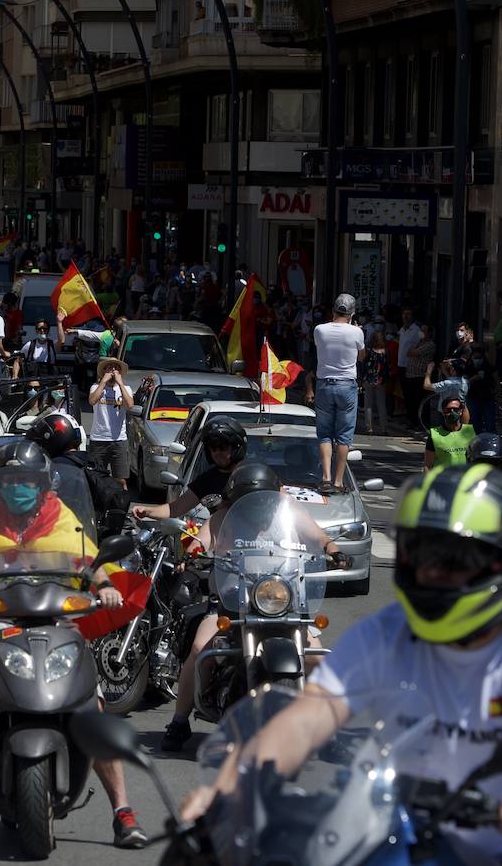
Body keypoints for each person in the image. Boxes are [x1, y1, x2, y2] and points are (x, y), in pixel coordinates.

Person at [182, 464, 502, 866]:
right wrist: (228, 788)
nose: (432, 571)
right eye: (422, 553)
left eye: (453, 558)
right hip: (406, 831)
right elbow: (307, 717)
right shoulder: (385, 632)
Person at [0, 441, 146, 849]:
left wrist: (105, 588)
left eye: (27, 480)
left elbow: (95, 564)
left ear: (43, 485)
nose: (19, 487)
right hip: (0, 621)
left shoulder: (64, 520)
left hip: (61, 622)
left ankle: (123, 812)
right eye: (11, 480)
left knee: (94, 706)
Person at [160, 461, 342, 753]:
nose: (256, 507)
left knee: (319, 659)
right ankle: (179, 722)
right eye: (247, 499)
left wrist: (334, 551)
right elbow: (201, 543)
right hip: (230, 604)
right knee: (200, 651)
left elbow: (319, 538)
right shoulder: (222, 518)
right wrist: (192, 554)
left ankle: (330, 732)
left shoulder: (290, 512)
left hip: (283, 602)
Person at [304, 293, 365, 495]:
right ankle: (339, 481)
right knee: (344, 436)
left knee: (324, 434)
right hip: (347, 385)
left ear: (333, 311)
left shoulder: (319, 330)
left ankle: (326, 478)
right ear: (352, 313)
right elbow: (362, 356)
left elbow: (319, 349)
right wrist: (357, 331)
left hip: (324, 384)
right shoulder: (356, 333)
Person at [132, 416, 247, 522]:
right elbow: (176, 508)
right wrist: (147, 511)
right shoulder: (208, 479)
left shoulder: (251, 475)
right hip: (218, 537)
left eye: (222, 447)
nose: (217, 452)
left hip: (254, 538)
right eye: (213, 448)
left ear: (236, 448)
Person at [86, 356, 133, 488]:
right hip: (99, 439)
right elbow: (92, 401)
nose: (113, 371)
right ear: (104, 371)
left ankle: (121, 505)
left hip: (119, 440)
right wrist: (103, 382)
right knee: (95, 478)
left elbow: (130, 405)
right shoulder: (96, 387)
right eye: (109, 368)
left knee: (121, 479)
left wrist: (120, 383)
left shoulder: (126, 389)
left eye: (116, 368)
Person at [423, 395, 475, 469]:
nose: (452, 412)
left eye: (455, 409)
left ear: (460, 411)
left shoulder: (469, 432)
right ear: (443, 412)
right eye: (448, 410)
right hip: (444, 479)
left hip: (465, 478)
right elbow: (428, 465)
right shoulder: (434, 435)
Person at [423, 356, 471, 425]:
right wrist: (444, 367)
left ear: (452, 370)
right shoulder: (465, 381)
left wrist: (428, 371)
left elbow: (426, 386)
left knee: (444, 431)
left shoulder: (447, 384)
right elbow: (451, 378)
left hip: (446, 413)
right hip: (459, 411)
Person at [395, 308, 423, 417]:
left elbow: (420, 346)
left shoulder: (417, 330)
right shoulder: (402, 330)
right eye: (404, 314)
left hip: (411, 366)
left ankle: (414, 419)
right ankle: (409, 418)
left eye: (408, 314)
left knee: (412, 394)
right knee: (405, 393)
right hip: (401, 365)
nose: (405, 316)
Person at [361, 331, 389, 435]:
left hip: (369, 379)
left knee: (368, 404)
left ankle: (369, 428)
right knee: (382, 404)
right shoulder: (385, 352)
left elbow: (364, 364)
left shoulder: (369, 351)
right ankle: (383, 428)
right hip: (381, 380)